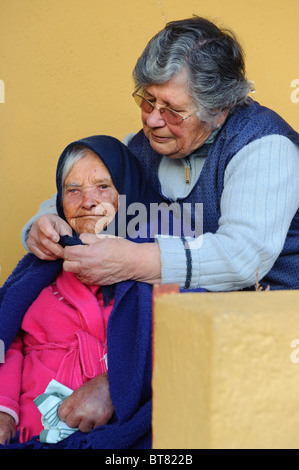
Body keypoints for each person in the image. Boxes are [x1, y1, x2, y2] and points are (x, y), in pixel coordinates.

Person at [22, 17, 299, 292]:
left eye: (172, 109)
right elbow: (81, 192)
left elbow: (241, 258)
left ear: (219, 109)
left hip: (276, 319)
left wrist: (134, 260)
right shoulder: (142, 146)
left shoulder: (265, 147)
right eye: (148, 100)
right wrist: (44, 224)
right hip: (189, 320)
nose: (153, 120)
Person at [0, 135, 166, 449]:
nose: (87, 201)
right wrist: (3, 408)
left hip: (111, 436)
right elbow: (8, 338)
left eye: (103, 187)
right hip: (23, 433)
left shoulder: (156, 262)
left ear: (128, 191)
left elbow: (179, 351)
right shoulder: (43, 264)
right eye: (73, 190)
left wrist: (117, 387)